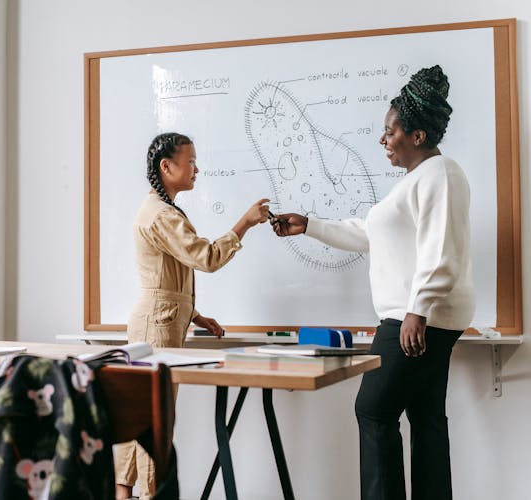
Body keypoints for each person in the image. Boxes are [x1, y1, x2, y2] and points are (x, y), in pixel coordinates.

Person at [271, 66, 474, 500]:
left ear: (416, 136)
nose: (383, 140)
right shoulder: (416, 181)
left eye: (390, 131)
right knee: (426, 417)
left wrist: (417, 310)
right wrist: (310, 225)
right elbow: (368, 233)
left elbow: (443, 249)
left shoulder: (441, 174)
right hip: (420, 316)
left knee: (374, 410)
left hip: (413, 317)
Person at [114, 132, 270, 500]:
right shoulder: (161, 214)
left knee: (140, 416)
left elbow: (166, 278)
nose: (197, 169)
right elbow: (206, 258)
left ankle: (124, 492)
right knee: (155, 420)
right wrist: (244, 223)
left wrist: (196, 316)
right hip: (158, 325)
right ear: (166, 167)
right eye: (190, 161)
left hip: (159, 320)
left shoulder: (159, 209)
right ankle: (151, 494)